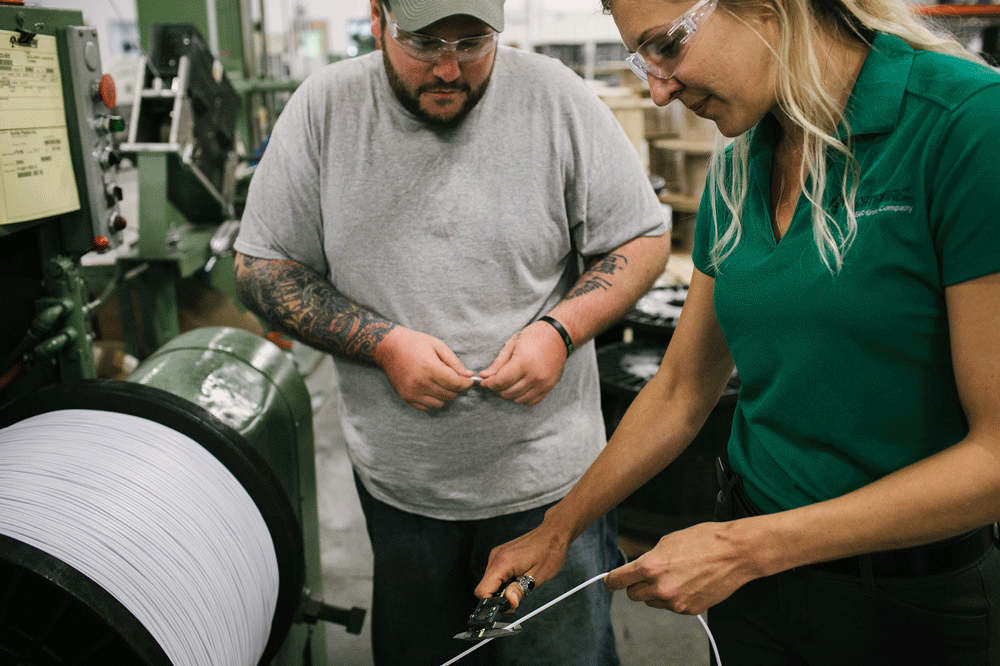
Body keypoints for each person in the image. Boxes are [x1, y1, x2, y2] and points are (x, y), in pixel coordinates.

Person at [476, 0, 1000, 663]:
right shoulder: (739, 164)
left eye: (667, 46)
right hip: (757, 583)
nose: (657, 89)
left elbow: (995, 457)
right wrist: (561, 528)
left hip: (912, 601)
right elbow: (682, 387)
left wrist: (747, 550)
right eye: (644, 61)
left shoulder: (968, 126)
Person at [232, 0, 672, 663]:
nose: (448, 69)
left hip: (552, 490)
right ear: (378, 18)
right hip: (405, 494)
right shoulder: (326, 110)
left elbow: (642, 238)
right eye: (423, 43)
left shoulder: (555, 99)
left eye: (472, 43)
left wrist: (558, 331)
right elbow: (261, 267)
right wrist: (383, 344)